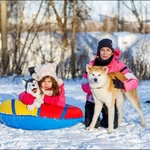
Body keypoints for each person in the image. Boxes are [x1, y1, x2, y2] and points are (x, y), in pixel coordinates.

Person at [81, 38, 138, 129]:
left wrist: (123, 84)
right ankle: (92, 117)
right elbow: (83, 84)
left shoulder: (119, 65)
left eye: (108, 50)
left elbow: (134, 81)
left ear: (112, 52)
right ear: (98, 52)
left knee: (111, 125)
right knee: (89, 124)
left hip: (110, 99)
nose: (105, 52)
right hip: (93, 99)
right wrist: (96, 88)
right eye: (102, 50)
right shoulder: (91, 65)